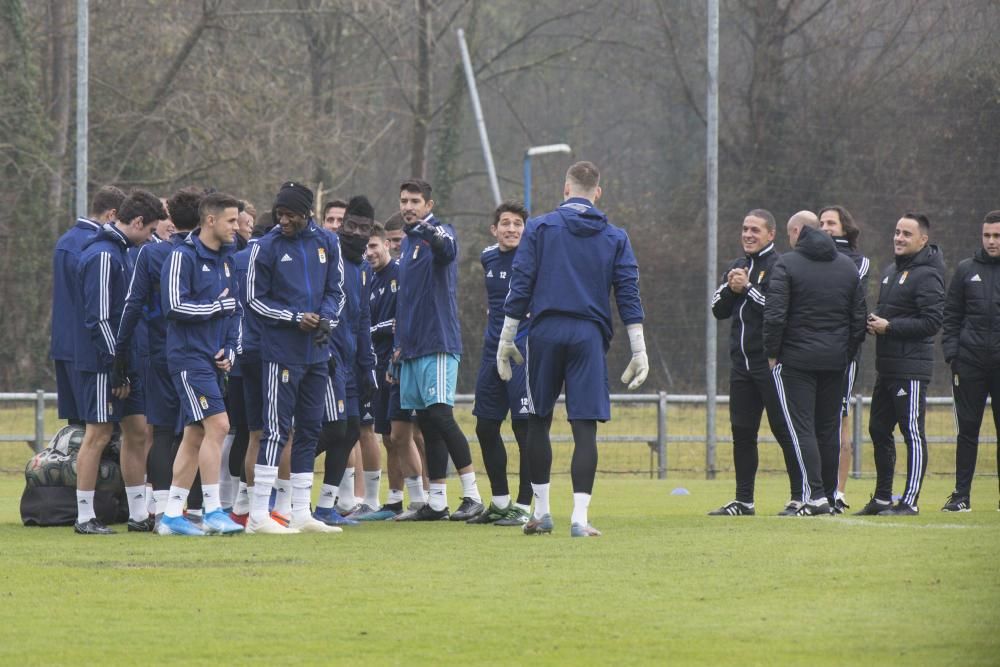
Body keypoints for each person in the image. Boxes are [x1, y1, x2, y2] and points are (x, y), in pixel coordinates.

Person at [500, 161, 648, 537]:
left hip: (545, 331)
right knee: (585, 429)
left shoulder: (540, 227)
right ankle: (580, 519)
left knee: (538, 420)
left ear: (566, 189)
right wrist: (638, 347)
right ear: (597, 193)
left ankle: (542, 512)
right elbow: (628, 292)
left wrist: (506, 337)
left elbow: (522, 282)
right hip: (588, 335)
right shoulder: (616, 236)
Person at [247, 181, 344, 534]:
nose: (284, 220)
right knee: (275, 431)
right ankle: (259, 514)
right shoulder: (266, 246)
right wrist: (293, 318)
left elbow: (336, 291)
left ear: (308, 214)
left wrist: (327, 320)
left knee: (310, 429)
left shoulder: (327, 242)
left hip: (317, 354)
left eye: (291, 215)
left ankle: (301, 511)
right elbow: (254, 301)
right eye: (280, 214)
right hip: (281, 354)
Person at [73, 189, 165, 534]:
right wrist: (115, 362)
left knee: (137, 431)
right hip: (102, 362)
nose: (152, 237)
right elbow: (98, 317)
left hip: (126, 360)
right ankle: (84, 516)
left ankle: (139, 514)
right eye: (150, 229)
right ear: (137, 222)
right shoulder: (102, 255)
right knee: (98, 433)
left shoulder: (127, 253)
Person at [763, 211, 867, 516]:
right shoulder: (847, 266)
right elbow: (858, 317)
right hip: (836, 362)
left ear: (797, 232)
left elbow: (775, 314)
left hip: (795, 361)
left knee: (801, 428)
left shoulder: (787, 264)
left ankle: (815, 496)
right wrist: (845, 353)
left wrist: (772, 353)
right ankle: (832, 495)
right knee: (827, 428)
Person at [393, 178, 484, 521]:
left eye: (416, 200)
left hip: (438, 344)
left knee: (442, 416)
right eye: (404, 200)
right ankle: (437, 502)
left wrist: (428, 230)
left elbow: (446, 247)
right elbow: (408, 301)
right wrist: (400, 345)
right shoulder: (408, 245)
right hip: (413, 349)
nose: (409, 206)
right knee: (427, 423)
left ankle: (473, 496)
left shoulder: (440, 233)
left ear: (429, 206)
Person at [156, 192, 246, 536]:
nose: (236, 228)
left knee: (195, 435)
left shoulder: (228, 258)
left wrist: (230, 350)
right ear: (210, 221)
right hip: (187, 358)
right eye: (231, 221)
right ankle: (212, 511)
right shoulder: (182, 257)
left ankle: (171, 517)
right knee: (219, 426)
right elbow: (174, 306)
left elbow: (235, 309)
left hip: (212, 360)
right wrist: (214, 307)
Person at [117, 187, 203, 523]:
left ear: (169, 219)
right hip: (195, 355)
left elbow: (133, 305)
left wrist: (119, 353)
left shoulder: (151, 255)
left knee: (163, 431)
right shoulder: (203, 254)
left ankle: (164, 510)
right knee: (195, 430)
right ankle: (194, 508)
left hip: (157, 353)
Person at [709, 209, 802, 516]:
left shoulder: (780, 266)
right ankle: (744, 501)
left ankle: (799, 497)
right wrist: (731, 288)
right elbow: (718, 309)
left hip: (771, 366)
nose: (748, 234)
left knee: (784, 430)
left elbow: (776, 311)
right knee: (742, 432)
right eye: (745, 228)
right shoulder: (737, 266)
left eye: (755, 230)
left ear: (771, 235)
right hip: (741, 366)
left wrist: (748, 288)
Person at [857, 213, 944, 516]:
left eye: (907, 234)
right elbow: (887, 312)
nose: (899, 238)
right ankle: (882, 498)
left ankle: (910, 501)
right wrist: (873, 322)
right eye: (896, 232)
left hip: (910, 370)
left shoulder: (928, 274)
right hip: (887, 368)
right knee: (878, 429)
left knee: (912, 433)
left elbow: (932, 321)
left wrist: (890, 326)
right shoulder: (891, 271)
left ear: (923, 240)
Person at [312, 196, 378, 526]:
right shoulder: (327, 260)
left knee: (351, 430)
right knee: (333, 428)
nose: (355, 232)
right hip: (329, 357)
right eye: (350, 225)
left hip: (352, 362)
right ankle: (281, 483)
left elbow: (363, 319)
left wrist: (368, 367)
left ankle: (325, 507)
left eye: (363, 228)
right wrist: (323, 352)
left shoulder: (364, 269)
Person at [468, 201, 533, 526]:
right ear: (494, 229)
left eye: (518, 223)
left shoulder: (534, 258)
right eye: (505, 223)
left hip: (523, 351)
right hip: (491, 351)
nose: (511, 229)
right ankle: (500, 501)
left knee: (525, 429)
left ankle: (523, 508)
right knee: (485, 426)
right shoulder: (488, 256)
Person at [941, 210, 1000, 512]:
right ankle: (961, 496)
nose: (992, 241)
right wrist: (954, 355)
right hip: (970, 364)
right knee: (967, 431)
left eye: (997, 236)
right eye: (987, 235)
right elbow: (951, 316)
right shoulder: (966, 269)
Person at [51, 186, 124, 428]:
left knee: (78, 427)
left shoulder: (66, 239)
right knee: (95, 427)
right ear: (111, 215)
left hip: (63, 344)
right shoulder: (92, 245)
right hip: (84, 347)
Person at [819, 205, 871, 512]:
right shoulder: (807, 259)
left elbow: (854, 305)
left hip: (842, 355)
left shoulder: (857, 262)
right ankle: (816, 490)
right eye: (821, 222)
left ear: (844, 228)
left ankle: (838, 491)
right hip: (813, 353)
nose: (825, 227)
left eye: (831, 223)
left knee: (839, 418)